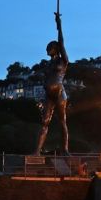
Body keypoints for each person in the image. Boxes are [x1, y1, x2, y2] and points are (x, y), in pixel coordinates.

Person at [35, 13, 69, 155]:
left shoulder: (63, 61)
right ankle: (37, 151)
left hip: (60, 94)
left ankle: (65, 150)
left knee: (62, 122)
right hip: (49, 96)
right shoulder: (48, 64)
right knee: (44, 123)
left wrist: (58, 24)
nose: (47, 50)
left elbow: (61, 41)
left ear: (55, 48)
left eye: (49, 47)